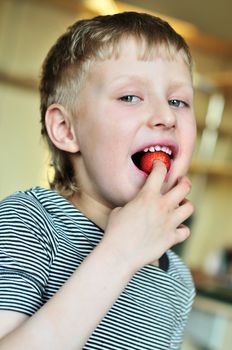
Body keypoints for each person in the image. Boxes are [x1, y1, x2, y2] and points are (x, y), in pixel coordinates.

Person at [0, 11, 196, 350]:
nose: (166, 116)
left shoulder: (177, 280)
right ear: (66, 129)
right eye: (130, 97)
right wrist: (120, 254)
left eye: (178, 101)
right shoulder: (26, 225)